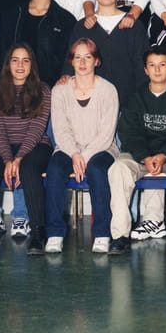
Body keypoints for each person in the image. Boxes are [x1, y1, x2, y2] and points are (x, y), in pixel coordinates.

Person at [107, 46, 166, 256]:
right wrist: (145, 156)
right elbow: (128, 134)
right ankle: (120, 235)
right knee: (118, 167)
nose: (157, 70)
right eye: (152, 65)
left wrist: (163, 155)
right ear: (145, 70)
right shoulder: (134, 97)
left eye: (162, 65)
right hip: (140, 155)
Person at [0, 43, 52, 256]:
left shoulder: (43, 89)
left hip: (35, 145)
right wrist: (8, 158)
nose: (20, 65)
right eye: (15, 60)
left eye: (26, 60)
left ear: (32, 65)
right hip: (3, 145)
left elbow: (37, 128)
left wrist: (19, 158)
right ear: (8, 64)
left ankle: (37, 232)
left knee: (28, 168)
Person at [44, 38, 119, 254]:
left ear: (97, 61)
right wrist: (75, 154)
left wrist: (84, 156)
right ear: (71, 61)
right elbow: (60, 130)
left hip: (102, 148)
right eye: (78, 57)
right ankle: (55, 233)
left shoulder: (108, 90)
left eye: (88, 57)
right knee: (55, 169)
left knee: (96, 169)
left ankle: (102, 233)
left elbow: (106, 134)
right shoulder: (59, 91)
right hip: (69, 148)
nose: (83, 62)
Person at [63, 0, 147, 107]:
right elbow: (70, 63)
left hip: (128, 102)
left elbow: (142, 68)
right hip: (91, 103)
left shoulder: (134, 25)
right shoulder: (82, 26)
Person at [0, 0, 76, 86]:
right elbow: (3, 52)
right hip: (16, 86)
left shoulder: (65, 19)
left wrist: (65, 75)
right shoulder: (14, 15)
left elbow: (70, 56)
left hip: (51, 86)